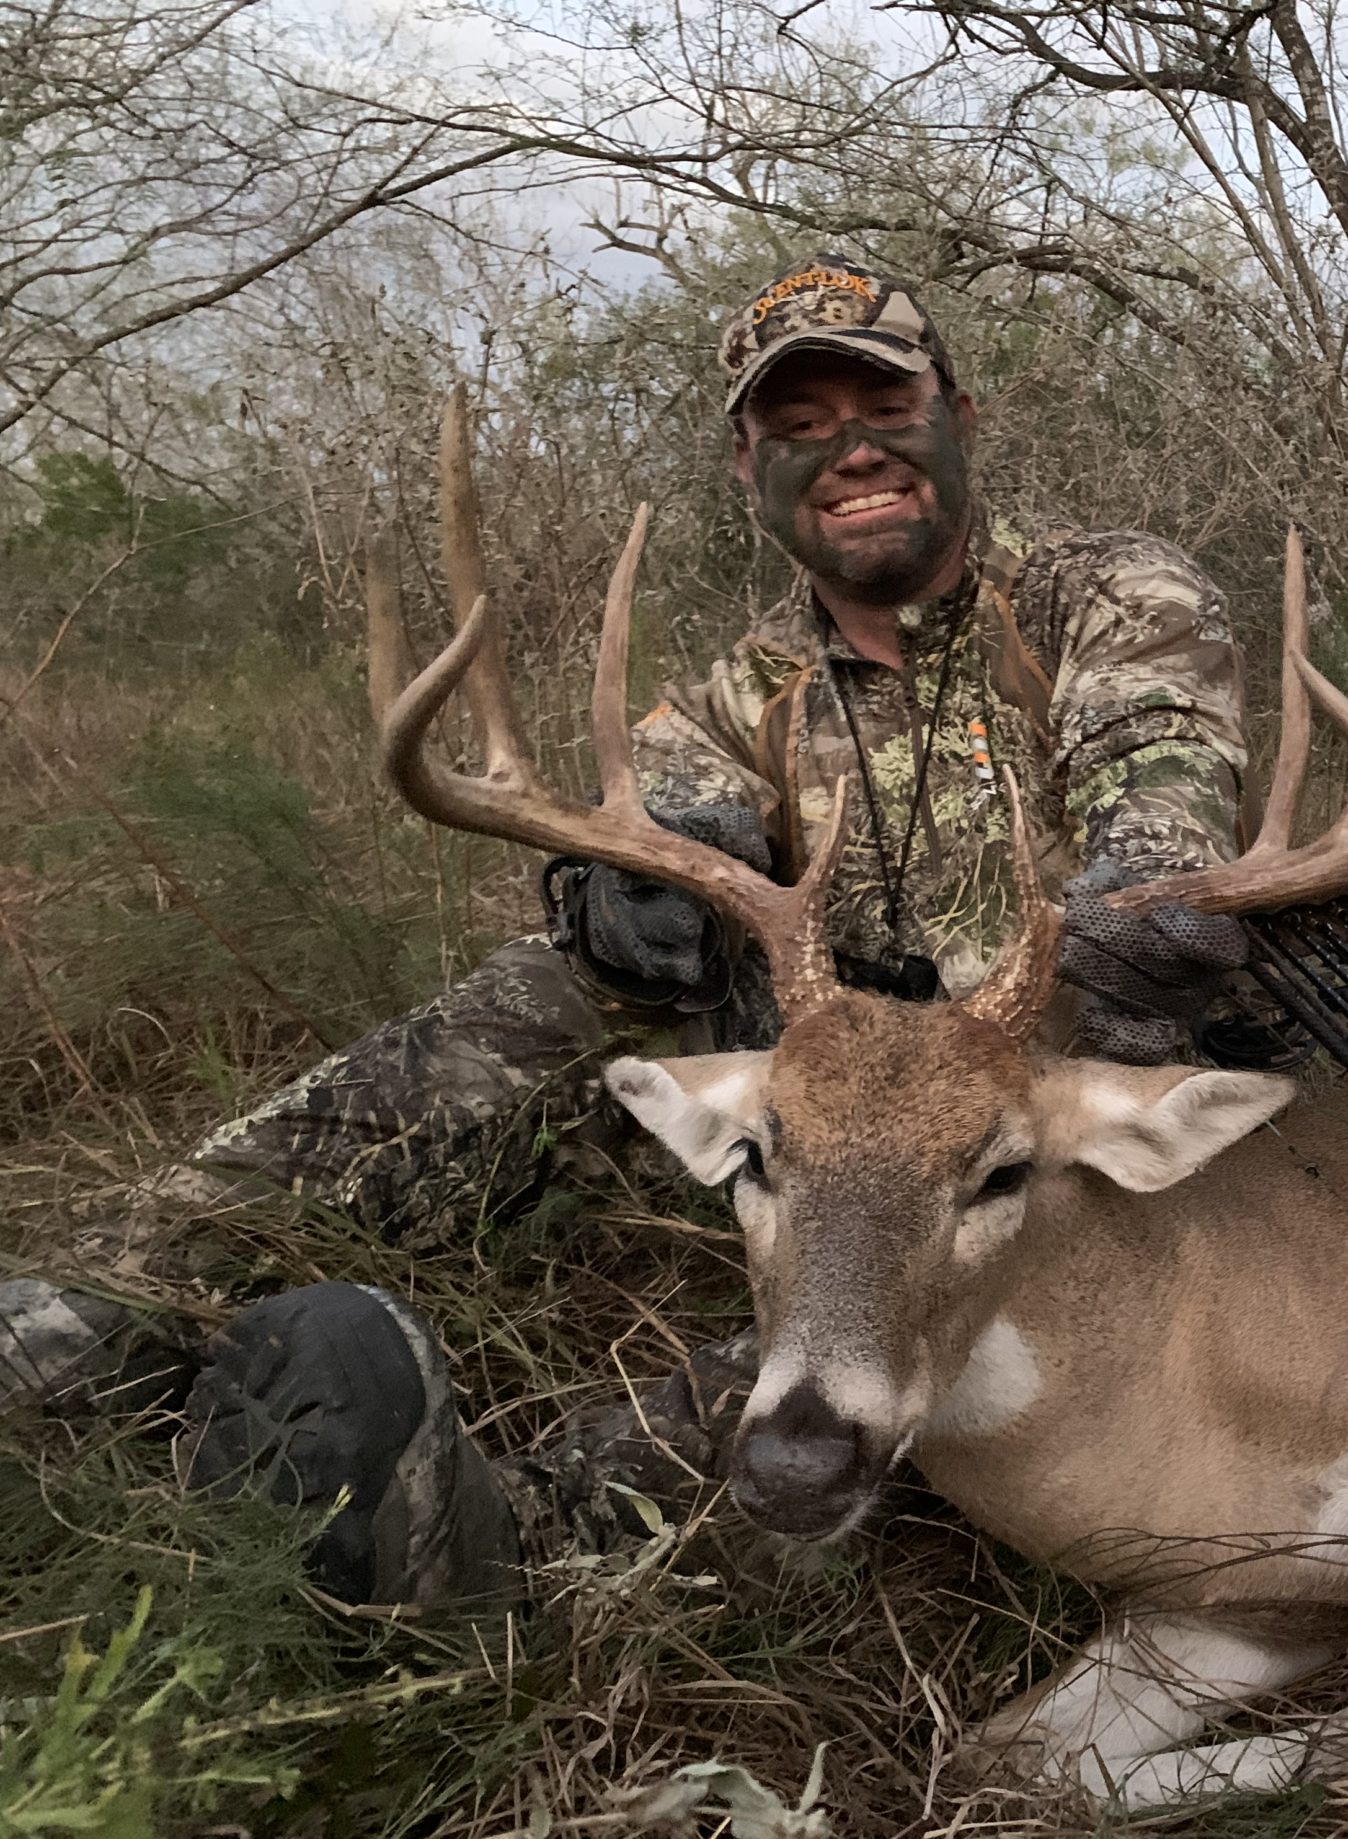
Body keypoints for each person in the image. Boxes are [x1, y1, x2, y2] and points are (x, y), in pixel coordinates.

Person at [0, 252, 1253, 1607]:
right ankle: (96, 1313)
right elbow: (666, 809)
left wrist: (1149, 881)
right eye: (799, 426)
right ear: (751, 469)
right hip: (822, 1085)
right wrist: (628, 895)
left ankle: (515, 1541)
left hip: (1043, 1092)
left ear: (958, 417)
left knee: (920, 1292)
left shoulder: (1102, 595)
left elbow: (1161, 755)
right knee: (554, 987)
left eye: (886, 409)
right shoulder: (742, 689)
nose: (850, 451)